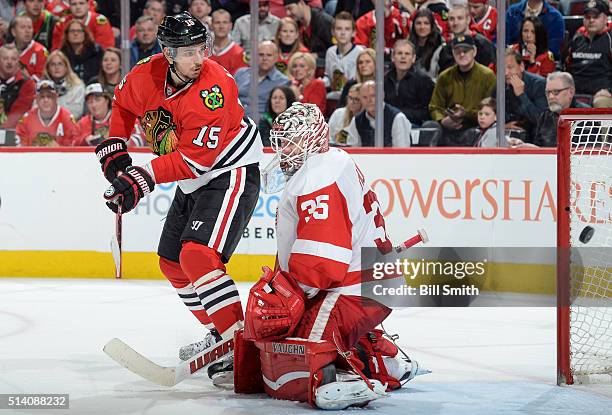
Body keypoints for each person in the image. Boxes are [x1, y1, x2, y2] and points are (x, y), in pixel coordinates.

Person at [94, 12, 262, 361]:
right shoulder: (145, 73)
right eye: (188, 52)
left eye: (202, 49)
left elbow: (195, 160)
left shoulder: (214, 88)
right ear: (168, 53)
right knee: (172, 263)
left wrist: (142, 176)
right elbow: (123, 104)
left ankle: (240, 347)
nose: (199, 58)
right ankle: (221, 333)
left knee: (197, 255)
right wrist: (115, 143)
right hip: (191, 180)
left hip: (230, 170)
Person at [233, 102, 422, 409]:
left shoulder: (319, 177)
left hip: (352, 288)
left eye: (292, 142)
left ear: (313, 140)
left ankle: (340, 381)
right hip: (366, 283)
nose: (285, 151)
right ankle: (385, 362)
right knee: (301, 330)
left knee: (297, 351)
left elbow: (323, 262)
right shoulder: (330, 162)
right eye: (282, 142)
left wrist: (290, 295)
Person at [425, 34, 496, 146]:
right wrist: (442, 120)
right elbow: (434, 107)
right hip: (447, 126)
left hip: (473, 125)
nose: (462, 54)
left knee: (474, 133)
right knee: (429, 127)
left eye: (466, 50)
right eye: (457, 51)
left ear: (474, 52)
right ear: (453, 53)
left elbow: (491, 107)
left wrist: (465, 115)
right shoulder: (444, 76)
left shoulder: (487, 76)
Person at [511, 72, 589, 148]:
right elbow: (539, 146)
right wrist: (527, 146)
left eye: (556, 92)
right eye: (548, 93)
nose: (550, 97)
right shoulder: (545, 116)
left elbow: (590, 152)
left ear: (571, 92)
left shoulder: (587, 115)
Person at [564, 0, 612, 96]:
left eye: (596, 17)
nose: (591, 20)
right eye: (587, 17)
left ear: (606, 19)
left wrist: (609, 90)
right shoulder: (576, 38)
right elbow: (563, 66)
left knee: (601, 102)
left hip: (602, 93)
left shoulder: (610, 39)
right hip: (574, 92)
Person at [383, 39, 434, 126]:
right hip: (388, 124)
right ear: (392, 57)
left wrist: (400, 114)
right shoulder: (385, 79)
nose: (403, 57)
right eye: (399, 53)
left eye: (407, 54)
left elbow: (427, 112)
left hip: (413, 125)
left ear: (413, 58)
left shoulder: (423, 80)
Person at [347, 80, 412, 147]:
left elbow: (402, 151)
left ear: (382, 95)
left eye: (373, 96)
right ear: (360, 99)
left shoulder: (397, 118)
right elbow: (354, 151)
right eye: (365, 97)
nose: (369, 100)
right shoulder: (356, 121)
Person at [234, 40, 290, 118]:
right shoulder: (241, 73)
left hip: (263, 125)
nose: (264, 58)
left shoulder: (283, 82)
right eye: (261, 55)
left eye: (269, 55)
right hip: (236, 122)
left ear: (276, 57)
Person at [502, 47, 548, 140]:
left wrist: (521, 95)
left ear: (521, 66)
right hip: (509, 136)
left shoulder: (539, 84)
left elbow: (541, 121)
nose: (506, 73)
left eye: (510, 67)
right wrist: (503, 126)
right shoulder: (499, 86)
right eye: (502, 68)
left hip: (536, 137)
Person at [16, 79, 78, 146]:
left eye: (49, 96)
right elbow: (19, 144)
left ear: (56, 97)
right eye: (42, 97)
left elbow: (73, 146)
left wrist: (56, 149)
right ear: (36, 99)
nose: (45, 100)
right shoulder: (27, 118)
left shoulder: (67, 118)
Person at [437, 5, 495, 74]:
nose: (455, 23)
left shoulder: (483, 44)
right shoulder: (446, 50)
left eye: (460, 18)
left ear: (468, 20)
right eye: (452, 19)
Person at [324, 11, 364, 98]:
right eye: (339, 29)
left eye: (347, 29)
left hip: (353, 96)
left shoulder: (360, 53)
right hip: (333, 96)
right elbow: (328, 77)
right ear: (333, 32)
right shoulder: (330, 52)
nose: (343, 33)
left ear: (353, 32)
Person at [0, 44, 36, 128]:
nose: (9, 62)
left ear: (18, 61)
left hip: (12, 133)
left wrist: (2, 130)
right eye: (5, 58)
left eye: (13, 59)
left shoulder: (27, 84)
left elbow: (18, 113)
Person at [43, 49, 85, 119]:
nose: (57, 67)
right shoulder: (42, 87)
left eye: (60, 64)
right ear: (48, 69)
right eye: (53, 64)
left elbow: (76, 112)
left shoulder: (78, 87)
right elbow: (36, 110)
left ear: (66, 67)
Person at [408, 8, 444, 80]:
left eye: (426, 23)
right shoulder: (408, 45)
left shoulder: (440, 47)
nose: (422, 27)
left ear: (432, 26)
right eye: (418, 23)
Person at [209, 9, 247, 75]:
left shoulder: (239, 53)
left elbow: (240, 80)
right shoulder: (204, 51)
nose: (221, 26)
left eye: (225, 22)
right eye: (217, 22)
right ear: (211, 25)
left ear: (230, 26)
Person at [9, 15, 48, 80]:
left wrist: (28, 78)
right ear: (13, 32)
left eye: (30, 27)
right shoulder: (5, 51)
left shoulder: (41, 51)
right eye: (22, 27)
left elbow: (43, 80)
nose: (27, 31)